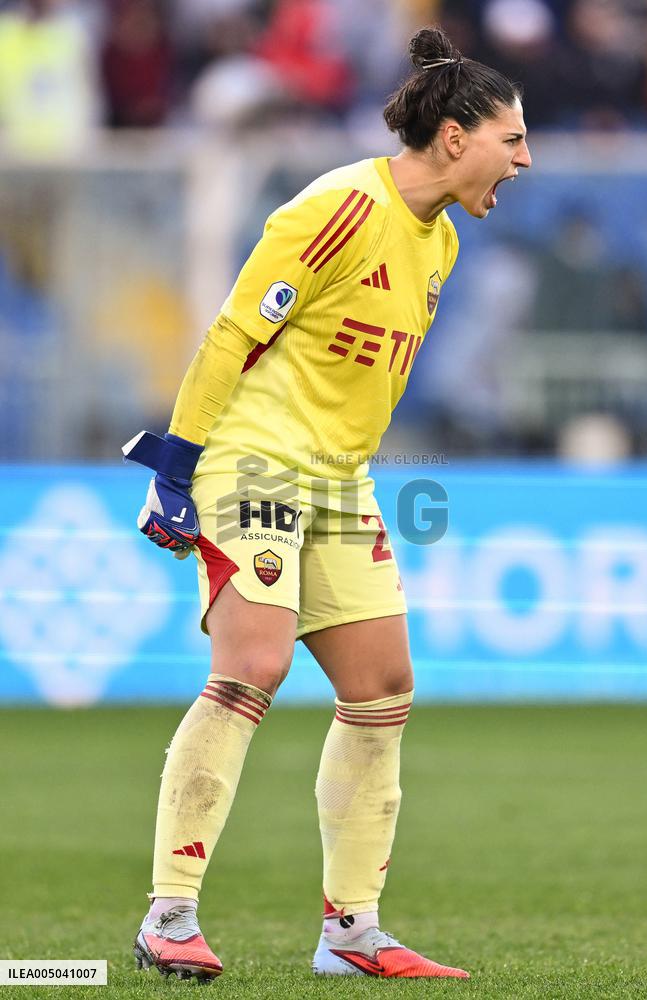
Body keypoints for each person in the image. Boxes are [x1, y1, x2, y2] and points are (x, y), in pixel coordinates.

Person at [123, 24, 531, 983]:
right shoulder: (339, 207)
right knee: (252, 667)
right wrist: (177, 469)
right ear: (456, 136)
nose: (525, 159)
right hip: (255, 462)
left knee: (384, 686)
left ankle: (352, 932)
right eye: (512, 139)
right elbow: (231, 338)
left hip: (339, 480)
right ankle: (167, 914)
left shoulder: (440, 246)